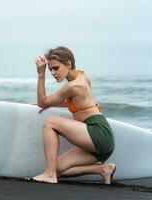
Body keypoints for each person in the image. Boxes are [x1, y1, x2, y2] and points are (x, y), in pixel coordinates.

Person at [32, 46, 116, 184]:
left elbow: (42, 102)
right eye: (50, 69)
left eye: (56, 68)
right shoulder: (83, 75)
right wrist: (49, 104)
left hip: (97, 132)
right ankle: (103, 169)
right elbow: (77, 103)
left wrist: (41, 74)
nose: (53, 73)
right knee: (57, 167)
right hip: (100, 142)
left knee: (50, 123)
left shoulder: (72, 86)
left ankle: (48, 175)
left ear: (68, 63)